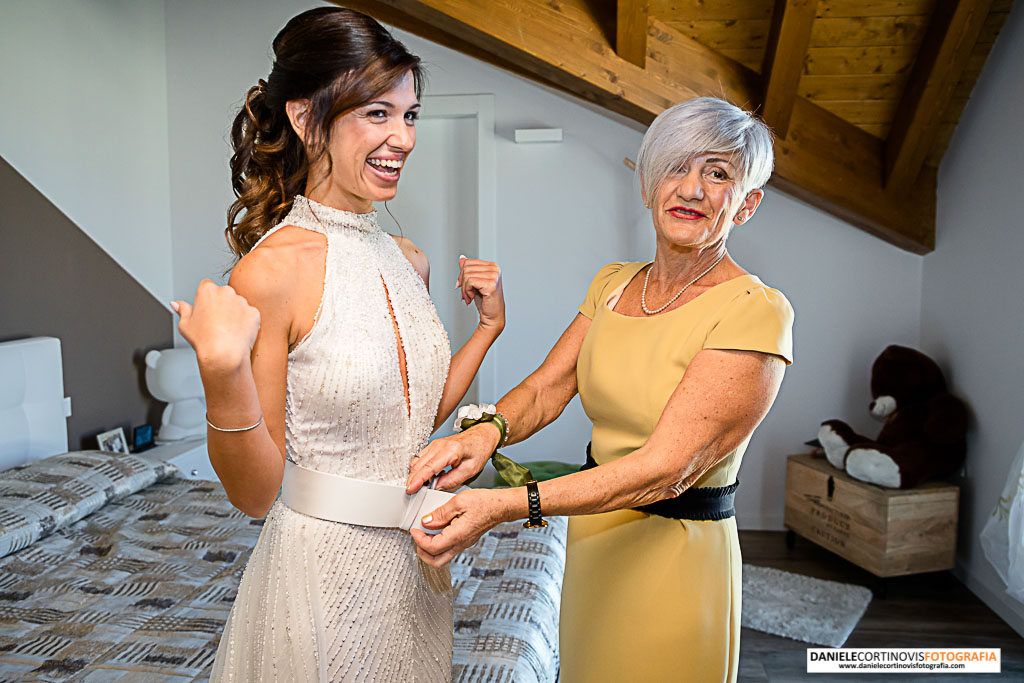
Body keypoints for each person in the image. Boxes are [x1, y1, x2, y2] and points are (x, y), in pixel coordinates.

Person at [406, 97, 794, 682]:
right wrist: (485, 434)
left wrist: (505, 504)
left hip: (674, 562)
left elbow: (664, 470)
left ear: (747, 205)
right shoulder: (614, 283)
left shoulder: (756, 312)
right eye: (675, 167)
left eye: (717, 174)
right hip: (593, 542)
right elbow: (547, 387)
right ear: (647, 185)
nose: (691, 189)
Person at [171, 8, 505, 681]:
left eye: (410, 115)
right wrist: (222, 371)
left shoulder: (408, 259)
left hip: (416, 568)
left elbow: (410, 419)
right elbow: (255, 492)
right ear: (306, 119)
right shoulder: (272, 269)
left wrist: (489, 329)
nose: (403, 138)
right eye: (377, 114)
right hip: (322, 576)